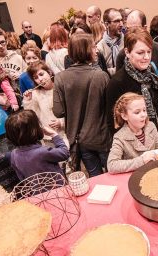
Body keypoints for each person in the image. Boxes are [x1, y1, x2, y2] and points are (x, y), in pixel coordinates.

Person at [53, 33, 111, 177]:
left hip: (79, 139)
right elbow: (111, 108)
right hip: (102, 137)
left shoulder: (60, 78)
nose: (96, 50)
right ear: (85, 50)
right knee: (112, 174)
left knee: (95, 178)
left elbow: (58, 111)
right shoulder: (101, 76)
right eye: (93, 47)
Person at [106, 27, 158, 134]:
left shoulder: (152, 73)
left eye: (149, 52)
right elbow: (113, 124)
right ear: (127, 52)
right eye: (140, 53)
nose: (146, 57)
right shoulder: (117, 82)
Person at [107, 93, 158, 174]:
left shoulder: (151, 126)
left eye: (144, 110)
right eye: (137, 112)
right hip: (135, 176)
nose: (143, 115)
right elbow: (112, 165)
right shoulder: (120, 137)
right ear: (124, 116)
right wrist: (142, 160)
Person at [115, 10, 158, 89]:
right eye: (128, 29)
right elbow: (119, 84)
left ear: (145, 28)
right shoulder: (122, 55)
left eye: (135, 28)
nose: (131, 33)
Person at [5, 109, 69, 181]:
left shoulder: (13, 155)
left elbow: (21, 178)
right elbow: (65, 153)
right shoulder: (43, 152)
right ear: (35, 130)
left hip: (35, 191)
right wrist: (54, 135)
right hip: (57, 189)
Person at [24, 61, 68, 146]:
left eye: (41, 74)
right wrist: (28, 100)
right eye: (35, 77)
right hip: (48, 138)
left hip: (66, 133)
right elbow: (31, 116)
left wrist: (61, 123)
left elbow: (72, 112)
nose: (40, 79)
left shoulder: (62, 88)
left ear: (49, 72)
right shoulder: (35, 93)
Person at [98, 8, 124, 75]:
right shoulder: (100, 47)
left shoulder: (127, 42)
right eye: (117, 21)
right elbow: (100, 72)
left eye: (121, 20)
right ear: (107, 25)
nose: (121, 24)